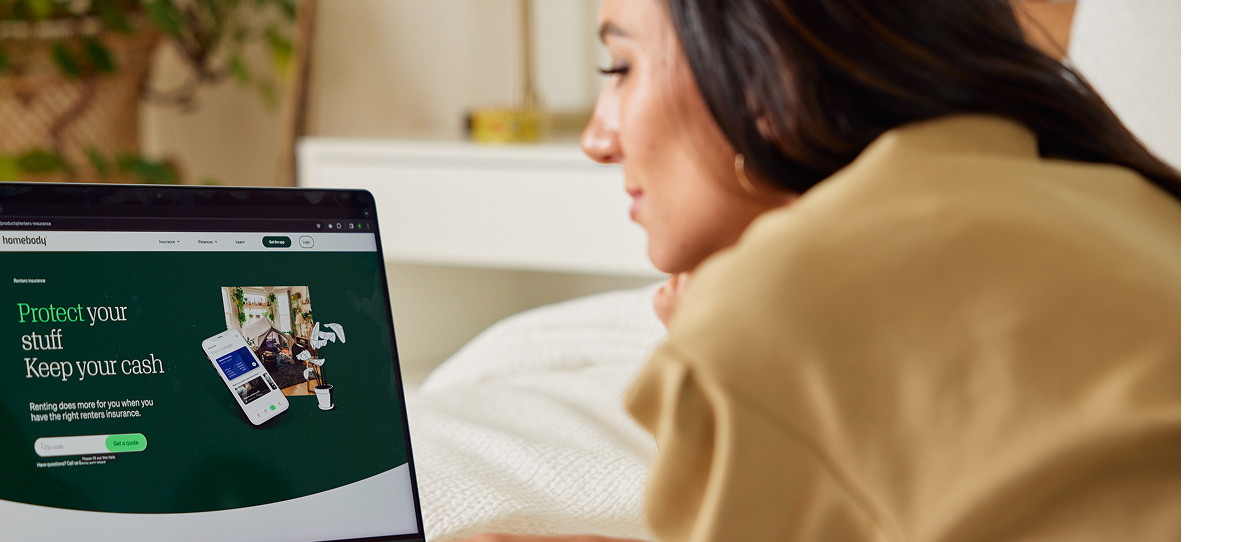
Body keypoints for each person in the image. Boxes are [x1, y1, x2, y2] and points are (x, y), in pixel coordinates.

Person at [458, 0, 1180, 540]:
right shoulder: (1131, 201)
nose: (596, 137)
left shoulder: (769, 316)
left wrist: (728, 348)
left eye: (620, 68)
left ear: (764, 78)